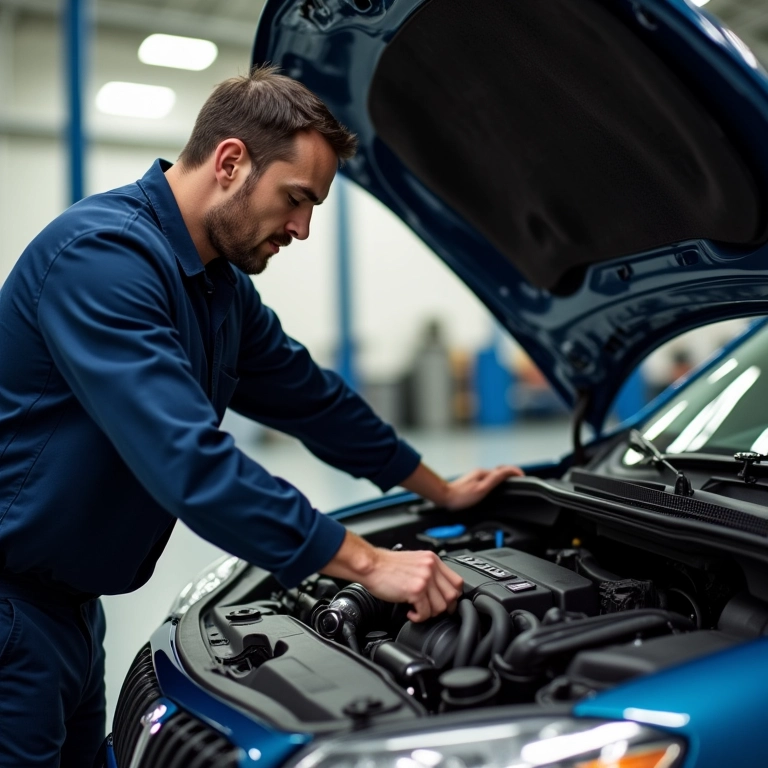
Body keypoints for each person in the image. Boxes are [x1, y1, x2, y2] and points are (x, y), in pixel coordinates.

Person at [0, 66, 522, 767]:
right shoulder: (103, 258)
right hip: (10, 608)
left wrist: (442, 490)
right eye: (296, 199)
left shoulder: (218, 287)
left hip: (68, 609)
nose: (302, 229)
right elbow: (188, 462)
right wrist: (368, 563)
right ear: (230, 163)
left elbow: (313, 400)